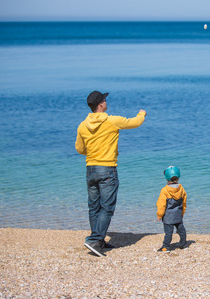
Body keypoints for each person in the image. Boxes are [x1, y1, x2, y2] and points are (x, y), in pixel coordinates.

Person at [75, 90, 147, 257]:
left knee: (94, 207)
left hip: (90, 168)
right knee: (107, 207)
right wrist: (142, 114)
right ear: (100, 104)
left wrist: (94, 151)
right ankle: (94, 239)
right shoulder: (111, 120)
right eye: (105, 100)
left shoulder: (82, 125)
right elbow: (134, 122)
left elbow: (80, 148)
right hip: (107, 168)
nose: (106, 102)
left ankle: (98, 241)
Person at [156, 166, 187, 252]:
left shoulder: (165, 190)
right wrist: (182, 213)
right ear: (178, 177)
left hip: (168, 217)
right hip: (178, 215)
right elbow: (184, 203)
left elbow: (161, 204)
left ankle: (166, 247)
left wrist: (159, 215)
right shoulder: (181, 189)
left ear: (166, 178)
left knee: (168, 232)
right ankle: (183, 244)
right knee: (181, 230)